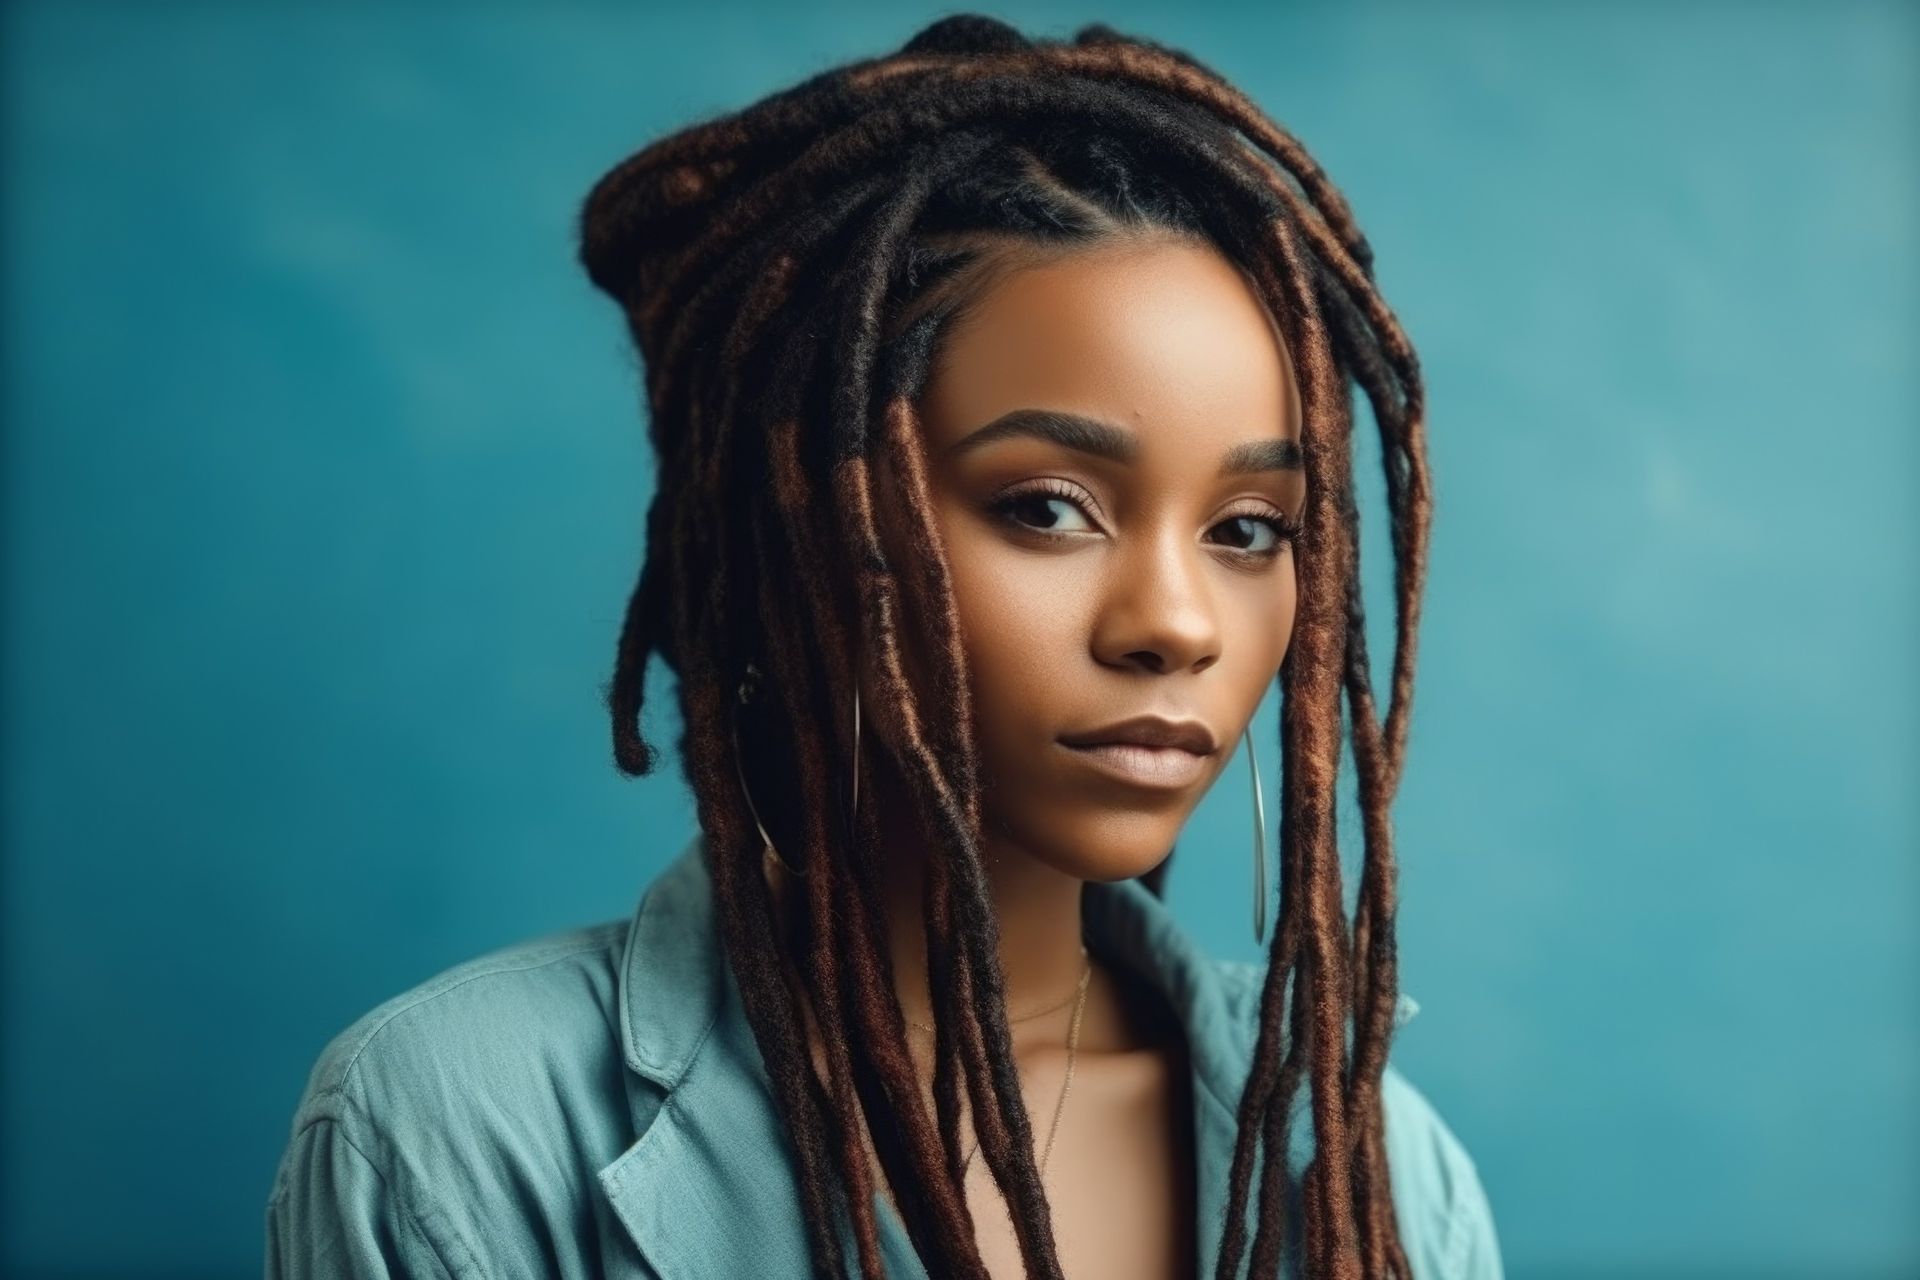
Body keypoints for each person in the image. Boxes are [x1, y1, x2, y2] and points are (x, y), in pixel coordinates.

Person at [264, 14, 1504, 1279]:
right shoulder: (456, 1131)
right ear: (803, 528)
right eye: (1047, 507)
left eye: (1248, 528)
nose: (1178, 624)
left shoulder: (1378, 1172)